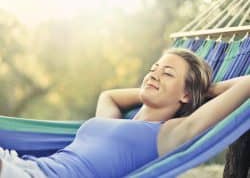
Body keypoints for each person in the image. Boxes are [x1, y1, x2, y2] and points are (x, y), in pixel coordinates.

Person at [0, 48, 249, 178]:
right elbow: (108, 95)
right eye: (154, 69)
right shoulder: (111, 119)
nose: (154, 75)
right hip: (18, 164)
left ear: (185, 95)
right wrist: (158, 86)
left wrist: (206, 91)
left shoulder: (167, 134)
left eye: (168, 73)